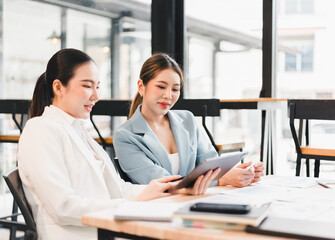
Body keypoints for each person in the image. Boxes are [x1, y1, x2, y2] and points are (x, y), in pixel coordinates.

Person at [18, 49, 220, 240]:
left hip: (106, 231)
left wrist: (162, 189)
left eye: (97, 87)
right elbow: (64, 207)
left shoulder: (79, 133)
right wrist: (133, 203)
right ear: (58, 87)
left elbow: (117, 188)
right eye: (87, 86)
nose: (96, 96)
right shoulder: (40, 130)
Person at [113, 53, 264, 186]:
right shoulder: (125, 136)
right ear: (141, 86)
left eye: (175, 89)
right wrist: (221, 179)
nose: (168, 95)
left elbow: (211, 162)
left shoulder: (187, 120)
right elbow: (162, 183)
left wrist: (239, 172)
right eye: (161, 86)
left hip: (194, 204)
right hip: (157, 210)